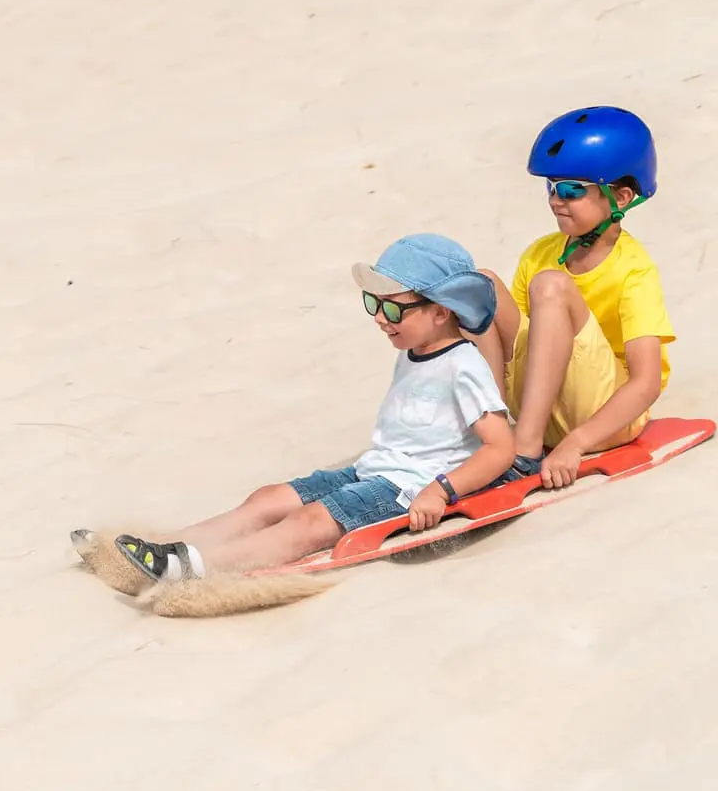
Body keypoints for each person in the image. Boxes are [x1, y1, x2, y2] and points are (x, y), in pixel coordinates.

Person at [90, 233, 526, 585]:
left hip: (409, 486)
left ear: (440, 312)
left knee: (312, 521)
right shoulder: (413, 350)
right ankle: (167, 546)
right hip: (376, 469)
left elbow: (499, 448)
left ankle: (198, 567)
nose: (379, 317)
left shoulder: (463, 365)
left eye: (392, 306)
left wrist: (441, 491)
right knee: (268, 499)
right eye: (373, 304)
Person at [484, 106, 675, 491]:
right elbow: (519, 344)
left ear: (620, 197)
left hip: (605, 418)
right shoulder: (540, 251)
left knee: (550, 286)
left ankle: (523, 450)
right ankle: (494, 433)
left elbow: (647, 383)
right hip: (544, 406)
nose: (557, 200)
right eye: (552, 188)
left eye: (571, 190)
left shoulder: (635, 270)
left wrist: (576, 444)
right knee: (481, 286)